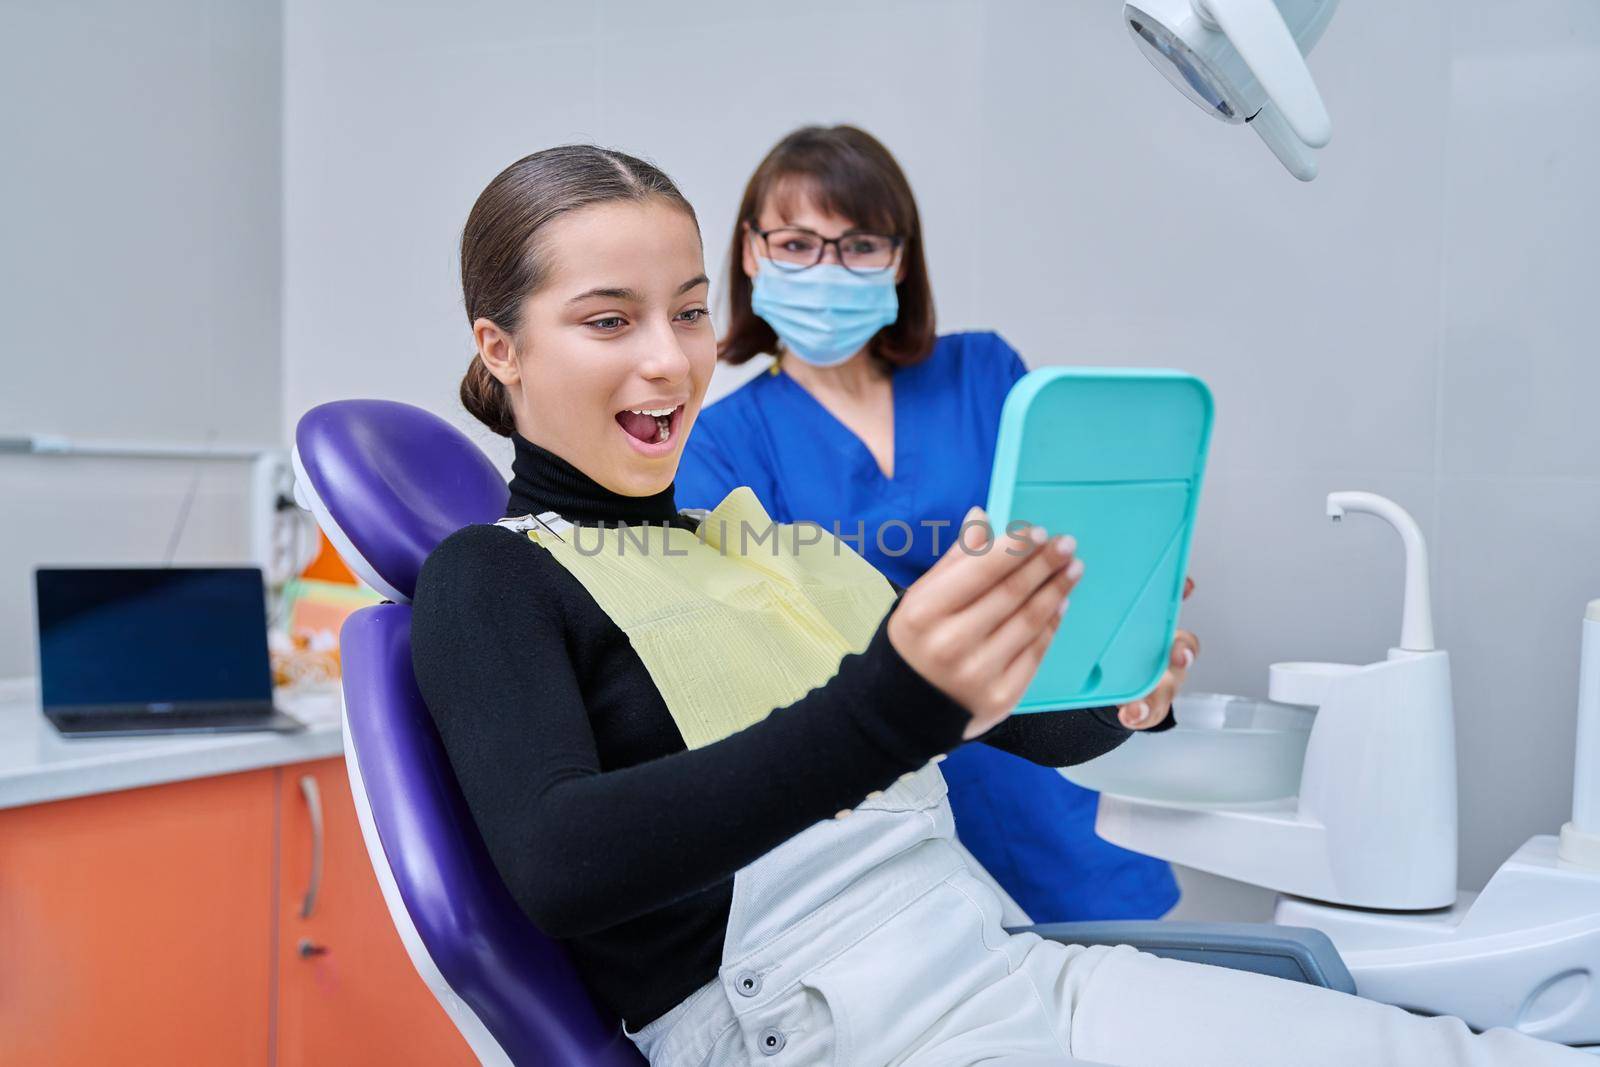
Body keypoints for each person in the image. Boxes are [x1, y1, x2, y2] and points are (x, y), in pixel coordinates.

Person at [410, 144, 1580, 1065]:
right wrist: (890, 701)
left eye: (688, 310)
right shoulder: (494, 576)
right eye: (608, 319)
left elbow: (1022, 724)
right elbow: (560, 861)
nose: (669, 361)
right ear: (498, 347)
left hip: (1014, 971)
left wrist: (1111, 678)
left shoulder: (782, 547)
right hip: (830, 1032)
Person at [675, 125, 1183, 923]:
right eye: (799, 244)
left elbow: (1069, 557)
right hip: (873, 819)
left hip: (1049, 777)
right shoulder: (720, 443)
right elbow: (754, 666)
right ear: (750, 252)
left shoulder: (984, 373)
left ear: (900, 260)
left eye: (860, 245)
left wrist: (1129, 609)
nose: (828, 270)